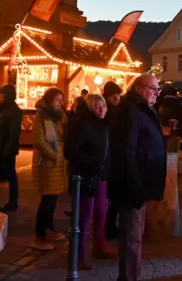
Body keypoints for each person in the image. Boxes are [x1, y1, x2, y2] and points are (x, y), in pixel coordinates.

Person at [108, 74, 166, 281]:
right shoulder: (130, 111)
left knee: (135, 237)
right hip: (133, 187)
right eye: (154, 89)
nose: (157, 94)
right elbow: (126, 153)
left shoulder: (142, 110)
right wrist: (135, 188)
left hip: (141, 184)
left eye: (158, 90)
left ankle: (131, 276)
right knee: (131, 239)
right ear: (140, 88)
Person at [64, 94, 115, 270]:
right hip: (85, 177)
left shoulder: (104, 126)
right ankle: (78, 255)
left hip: (101, 176)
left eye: (103, 106)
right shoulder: (83, 125)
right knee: (84, 217)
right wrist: (91, 163)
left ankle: (99, 247)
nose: (101, 110)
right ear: (91, 107)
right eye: (97, 106)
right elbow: (70, 151)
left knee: (101, 212)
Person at [31, 88, 69, 250]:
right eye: (57, 100)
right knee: (47, 201)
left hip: (58, 165)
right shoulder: (41, 116)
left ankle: (49, 229)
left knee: (52, 201)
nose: (60, 103)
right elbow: (39, 141)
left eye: (62, 100)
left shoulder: (59, 117)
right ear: (48, 100)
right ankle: (40, 235)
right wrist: (55, 156)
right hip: (47, 165)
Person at [102, 81, 123, 240]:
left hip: (111, 157)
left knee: (112, 196)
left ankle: (109, 226)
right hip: (111, 157)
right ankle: (109, 227)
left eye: (118, 95)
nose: (117, 97)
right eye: (115, 95)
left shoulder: (112, 110)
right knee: (113, 196)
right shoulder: (111, 112)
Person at [0, 85, 22, 212]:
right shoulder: (3, 108)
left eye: (2, 94)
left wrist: (7, 150)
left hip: (6, 149)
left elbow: (13, 133)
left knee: (10, 174)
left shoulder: (14, 111)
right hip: (2, 146)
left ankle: (13, 200)